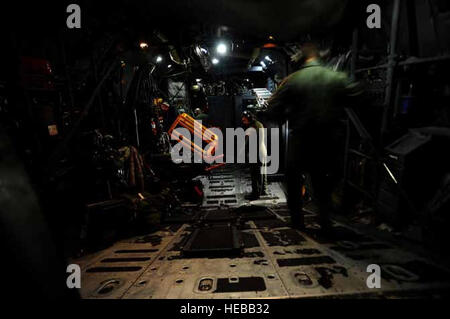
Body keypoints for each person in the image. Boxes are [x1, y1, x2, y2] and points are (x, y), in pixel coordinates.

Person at [266, 43, 362, 230]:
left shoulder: (293, 80)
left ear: (302, 59)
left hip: (301, 139)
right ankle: (325, 222)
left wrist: (286, 114)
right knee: (322, 183)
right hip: (329, 140)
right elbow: (357, 96)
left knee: (293, 180)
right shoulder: (336, 77)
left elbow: (272, 109)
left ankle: (297, 222)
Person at [241, 110, 268, 200]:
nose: (243, 120)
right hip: (262, 151)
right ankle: (263, 190)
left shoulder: (252, 128)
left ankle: (255, 194)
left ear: (249, 118)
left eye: (244, 119)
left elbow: (247, 143)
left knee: (255, 175)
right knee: (262, 173)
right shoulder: (259, 124)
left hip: (256, 154)